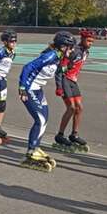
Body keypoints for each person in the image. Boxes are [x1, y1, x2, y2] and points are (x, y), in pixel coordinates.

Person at [18, 31, 76, 172]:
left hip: (38, 89)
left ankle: (36, 147)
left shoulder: (57, 56)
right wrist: (22, 88)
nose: (72, 50)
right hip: (29, 89)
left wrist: (63, 69)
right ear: (63, 46)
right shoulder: (50, 55)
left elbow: (54, 70)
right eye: (71, 47)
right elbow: (27, 67)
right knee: (40, 119)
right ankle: (31, 151)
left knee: (45, 119)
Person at [53, 28, 94, 152]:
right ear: (82, 39)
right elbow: (60, 68)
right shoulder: (73, 51)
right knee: (71, 108)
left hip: (73, 81)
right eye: (88, 40)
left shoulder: (86, 52)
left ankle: (74, 134)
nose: (90, 43)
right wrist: (59, 86)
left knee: (79, 108)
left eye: (92, 41)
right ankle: (60, 135)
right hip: (65, 80)